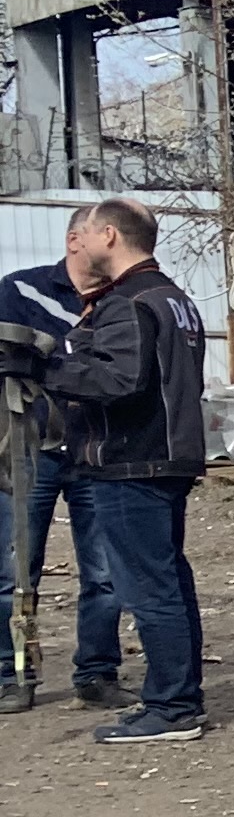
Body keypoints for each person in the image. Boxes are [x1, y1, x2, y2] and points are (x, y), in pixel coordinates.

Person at [37, 198, 208, 746]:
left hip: (132, 461)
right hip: (166, 457)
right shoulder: (173, 298)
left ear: (109, 235)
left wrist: (43, 368)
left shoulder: (128, 301)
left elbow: (118, 381)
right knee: (169, 583)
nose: (76, 244)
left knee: (150, 589)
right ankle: (176, 698)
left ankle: (173, 708)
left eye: (83, 233)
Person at [0, 246, 82, 709]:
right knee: (16, 570)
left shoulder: (122, 297)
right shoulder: (20, 290)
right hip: (31, 447)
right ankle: (14, 672)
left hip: (96, 449)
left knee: (105, 571)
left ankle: (98, 671)